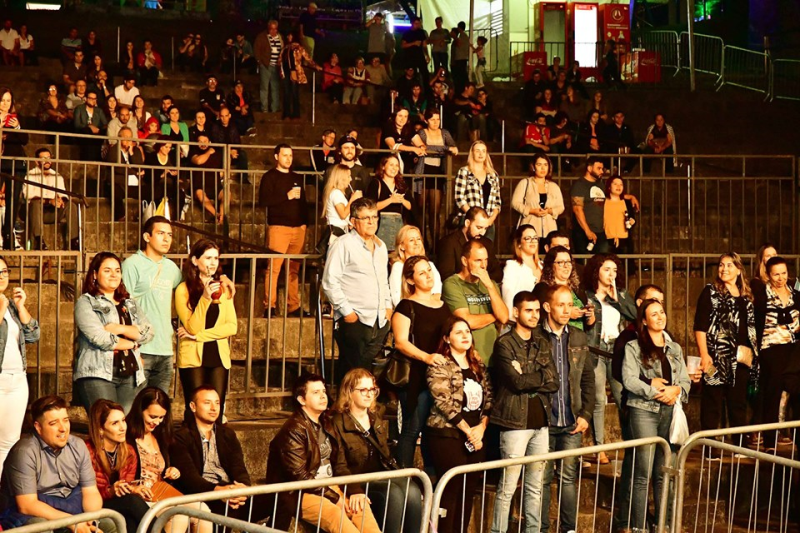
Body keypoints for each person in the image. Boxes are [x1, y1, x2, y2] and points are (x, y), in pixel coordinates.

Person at [265, 373, 381, 533]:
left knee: (361, 506)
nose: (322, 396)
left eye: (324, 391)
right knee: (335, 515)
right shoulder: (294, 430)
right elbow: (300, 476)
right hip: (300, 492)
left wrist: (354, 491)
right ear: (302, 400)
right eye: (315, 392)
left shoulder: (327, 422)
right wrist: (335, 498)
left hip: (330, 486)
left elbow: (340, 464)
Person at [491, 291, 560, 533]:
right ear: (516, 312)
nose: (534, 315)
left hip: (541, 422)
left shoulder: (542, 342)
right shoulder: (504, 343)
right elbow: (516, 383)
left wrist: (527, 375)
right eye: (528, 310)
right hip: (514, 423)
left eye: (537, 310)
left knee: (535, 487)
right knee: (508, 487)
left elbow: (554, 382)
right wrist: (539, 376)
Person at [0, 395, 118, 533]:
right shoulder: (24, 452)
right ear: (38, 427)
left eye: (66, 420)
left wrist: (89, 520)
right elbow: (27, 505)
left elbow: (91, 492)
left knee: (108, 524)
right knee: (41, 527)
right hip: (34, 511)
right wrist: (72, 522)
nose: (63, 428)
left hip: (71, 506)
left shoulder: (78, 445)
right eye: (53, 423)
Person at [623, 298, 691, 531]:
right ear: (644, 320)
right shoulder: (633, 347)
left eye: (662, 312)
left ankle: (664, 526)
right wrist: (656, 392)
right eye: (654, 314)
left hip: (670, 411)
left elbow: (685, 380)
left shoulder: (675, 348)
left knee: (664, 473)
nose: (660, 317)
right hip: (643, 411)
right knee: (643, 473)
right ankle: (639, 527)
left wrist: (676, 390)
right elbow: (629, 379)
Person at [331, 369, 424, 533]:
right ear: (349, 392)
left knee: (413, 490)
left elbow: (385, 454)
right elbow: (340, 465)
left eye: (372, 389)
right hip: (357, 478)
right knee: (393, 494)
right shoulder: (337, 422)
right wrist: (354, 490)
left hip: (380, 474)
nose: (369, 395)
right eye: (363, 390)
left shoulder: (375, 416)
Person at [537, 285, 594, 533]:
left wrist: (586, 414)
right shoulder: (536, 336)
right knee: (541, 478)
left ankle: (568, 529)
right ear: (547, 307)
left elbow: (588, 379)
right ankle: (541, 529)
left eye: (570, 305)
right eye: (561, 304)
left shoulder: (579, 337)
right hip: (544, 421)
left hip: (571, 420)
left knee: (568, 477)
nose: (566, 310)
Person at [427, 316, 492, 533]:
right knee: (451, 489)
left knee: (469, 489)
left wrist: (481, 428)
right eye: (458, 332)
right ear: (447, 338)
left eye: (467, 331)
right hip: (447, 434)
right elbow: (443, 402)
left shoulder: (478, 364)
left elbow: (489, 399)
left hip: (477, 434)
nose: (465, 336)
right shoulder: (441, 365)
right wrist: (468, 431)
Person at [171, 385, 272, 521]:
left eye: (217, 403)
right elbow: (190, 478)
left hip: (230, 490)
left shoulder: (227, 434)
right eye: (207, 403)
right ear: (193, 407)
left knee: (281, 499)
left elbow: (239, 467)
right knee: (226, 509)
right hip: (205, 494)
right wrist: (218, 491)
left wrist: (243, 489)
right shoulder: (181, 437)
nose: (214, 408)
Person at [322, 198, 392, 382]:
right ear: (353, 221)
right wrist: (347, 312)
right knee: (351, 374)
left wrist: (387, 307)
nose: (371, 222)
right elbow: (330, 281)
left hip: (379, 321)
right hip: (355, 320)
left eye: (374, 217)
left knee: (367, 375)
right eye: (366, 218)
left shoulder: (381, 246)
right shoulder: (343, 244)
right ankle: (344, 401)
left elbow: (383, 280)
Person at [74, 252, 153, 414]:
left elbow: (148, 332)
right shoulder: (86, 302)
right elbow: (100, 338)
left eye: (117, 270)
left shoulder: (129, 303)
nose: (114, 275)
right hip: (98, 373)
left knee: (121, 424)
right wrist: (133, 342)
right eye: (107, 270)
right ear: (94, 274)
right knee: (106, 422)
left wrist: (119, 329)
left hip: (130, 374)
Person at [391, 255, 451, 467]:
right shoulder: (406, 306)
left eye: (429, 270)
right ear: (410, 279)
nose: (428, 275)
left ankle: (431, 477)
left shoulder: (443, 305)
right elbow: (400, 342)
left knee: (432, 430)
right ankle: (404, 478)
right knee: (412, 429)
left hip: (440, 376)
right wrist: (427, 357)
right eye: (422, 272)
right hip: (416, 375)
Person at [127, 387, 212, 533]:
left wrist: (172, 471)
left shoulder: (161, 435)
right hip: (141, 497)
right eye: (152, 416)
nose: (157, 422)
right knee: (178, 516)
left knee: (202, 511)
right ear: (140, 411)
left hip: (161, 492)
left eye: (161, 418)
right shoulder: (127, 437)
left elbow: (165, 468)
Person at [695, 252, 758, 438]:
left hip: (741, 360)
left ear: (739, 270)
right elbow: (700, 326)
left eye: (729, 265)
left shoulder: (746, 297)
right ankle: (709, 447)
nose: (724, 269)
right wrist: (704, 354)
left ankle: (740, 446)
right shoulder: (711, 292)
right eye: (721, 265)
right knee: (712, 405)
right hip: (716, 358)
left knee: (738, 405)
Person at [583, 253, 637, 464]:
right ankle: (600, 448)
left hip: (616, 349)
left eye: (614, 270)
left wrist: (618, 300)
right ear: (596, 271)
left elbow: (635, 315)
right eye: (606, 269)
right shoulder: (587, 296)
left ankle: (630, 443)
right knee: (598, 399)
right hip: (595, 349)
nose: (611, 274)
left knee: (623, 396)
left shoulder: (620, 294)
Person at [175, 239, 237, 418]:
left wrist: (200, 336)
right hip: (192, 357)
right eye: (208, 258)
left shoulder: (224, 288)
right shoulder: (183, 289)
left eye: (216, 258)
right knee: (195, 410)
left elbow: (231, 327)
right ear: (195, 261)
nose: (212, 262)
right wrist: (205, 298)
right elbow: (192, 327)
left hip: (218, 356)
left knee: (216, 410)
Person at [122, 217, 183, 393]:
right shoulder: (132, 264)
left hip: (165, 349)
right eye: (161, 233)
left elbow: (188, 292)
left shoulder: (171, 268)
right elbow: (122, 305)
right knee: (135, 404)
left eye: (170, 235)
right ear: (147, 237)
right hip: (140, 346)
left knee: (159, 404)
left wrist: (223, 278)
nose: (166, 239)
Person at [753, 256, 800, 447]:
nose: (781, 278)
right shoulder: (761, 294)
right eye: (776, 274)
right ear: (768, 275)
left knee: (797, 394)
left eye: (784, 273)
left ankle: (797, 440)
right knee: (772, 394)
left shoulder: (795, 294)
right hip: (771, 347)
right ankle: (770, 442)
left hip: (794, 347)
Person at [258, 144, 309, 317]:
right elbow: (264, 200)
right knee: (274, 268)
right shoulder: (269, 177)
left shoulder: (297, 177)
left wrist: (304, 224)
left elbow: (303, 202)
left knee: (293, 269)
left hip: (298, 228)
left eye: (290, 155)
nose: (288, 159)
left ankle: (293, 306)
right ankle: (270, 306)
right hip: (279, 227)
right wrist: (286, 196)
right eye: (285, 155)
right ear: (276, 157)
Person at [85, 399, 151, 533]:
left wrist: (132, 489)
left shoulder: (129, 452)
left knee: (131, 519)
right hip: (94, 504)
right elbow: (87, 493)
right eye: (115, 423)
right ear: (100, 429)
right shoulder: (87, 452)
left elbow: (126, 485)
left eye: (123, 420)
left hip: (120, 503)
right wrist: (110, 491)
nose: (123, 428)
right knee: (132, 503)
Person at [0, 255, 38, 480]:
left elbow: (33, 335)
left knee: (11, 441)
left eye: (4, 271)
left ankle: (4, 490)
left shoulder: (10, 306)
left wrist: (21, 307)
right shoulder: (2, 305)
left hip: (17, 379)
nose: (1, 277)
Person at [443, 240, 509, 366]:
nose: (483, 265)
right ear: (464, 261)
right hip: (469, 359)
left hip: (494, 357)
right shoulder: (452, 284)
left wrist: (489, 286)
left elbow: (504, 317)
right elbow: (467, 321)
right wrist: (494, 316)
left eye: (486, 260)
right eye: (478, 260)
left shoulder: (491, 284)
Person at [23, 147, 81, 250]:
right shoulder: (30, 175)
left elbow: (63, 194)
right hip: (36, 212)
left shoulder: (57, 176)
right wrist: (49, 201)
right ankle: (39, 241)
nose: (47, 161)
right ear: (36, 161)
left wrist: (61, 200)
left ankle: (74, 241)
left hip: (53, 212)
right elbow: (29, 196)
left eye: (49, 158)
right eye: (44, 158)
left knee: (71, 205)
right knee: (35, 204)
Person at [415, 108, 457, 244]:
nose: (435, 122)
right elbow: (425, 148)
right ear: (426, 120)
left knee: (435, 212)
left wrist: (447, 149)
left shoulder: (444, 133)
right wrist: (445, 149)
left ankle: (435, 244)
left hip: (438, 172)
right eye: (432, 119)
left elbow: (454, 147)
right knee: (421, 211)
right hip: (423, 171)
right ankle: (423, 242)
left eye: (437, 119)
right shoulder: (422, 133)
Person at [437, 206, 503, 283]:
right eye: (479, 227)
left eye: (485, 228)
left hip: (482, 288)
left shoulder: (487, 243)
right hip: (459, 289)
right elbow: (446, 276)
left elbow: (498, 274)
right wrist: (471, 280)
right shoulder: (449, 242)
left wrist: (479, 281)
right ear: (467, 223)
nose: (482, 233)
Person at [454, 141, 501, 241]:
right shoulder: (464, 172)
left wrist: (490, 219)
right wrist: (474, 216)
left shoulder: (493, 175)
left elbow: (497, 202)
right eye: (477, 151)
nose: (481, 153)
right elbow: (459, 198)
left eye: (483, 151)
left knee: (487, 248)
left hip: (488, 221)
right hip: (470, 220)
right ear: (472, 153)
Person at [512, 154, 564, 239]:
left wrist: (549, 211)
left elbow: (561, 207)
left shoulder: (554, 186)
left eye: (545, 165)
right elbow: (515, 203)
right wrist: (531, 211)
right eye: (539, 165)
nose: (543, 168)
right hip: (530, 228)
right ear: (533, 166)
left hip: (549, 229)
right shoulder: (525, 183)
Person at [366, 155, 413, 250]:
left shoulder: (401, 185)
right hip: (381, 224)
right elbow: (371, 207)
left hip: (398, 224)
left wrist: (401, 200)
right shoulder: (376, 183)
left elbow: (411, 206)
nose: (394, 168)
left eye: (396, 165)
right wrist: (390, 200)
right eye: (391, 165)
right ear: (383, 166)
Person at [389, 225, 443, 306]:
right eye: (411, 240)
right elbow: (398, 300)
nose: (416, 243)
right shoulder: (398, 267)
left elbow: (437, 294)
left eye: (418, 239)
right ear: (402, 246)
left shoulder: (430, 265)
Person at [502, 225, 542, 330]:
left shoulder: (543, 266)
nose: (532, 241)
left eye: (535, 238)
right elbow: (508, 297)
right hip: (517, 325)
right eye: (528, 238)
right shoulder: (512, 266)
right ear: (519, 243)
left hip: (540, 324)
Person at [571, 156, 609, 254]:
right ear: (589, 168)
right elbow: (577, 209)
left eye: (602, 169)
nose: (601, 171)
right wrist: (587, 230)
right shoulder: (579, 185)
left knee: (602, 260)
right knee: (584, 260)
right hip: (583, 231)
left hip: (600, 231)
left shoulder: (600, 184)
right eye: (598, 168)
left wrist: (630, 197)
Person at [280, 31, 319, 121]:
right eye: (288, 35)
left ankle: (296, 114)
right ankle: (286, 114)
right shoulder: (285, 48)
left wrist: (315, 65)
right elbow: (281, 60)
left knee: (294, 93)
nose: (289, 37)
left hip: (295, 72)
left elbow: (307, 57)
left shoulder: (298, 47)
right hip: (285, 73)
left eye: (291, 35)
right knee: (286, 94)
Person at [322, 164, 360, 250]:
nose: (351, 179)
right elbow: (342, 214)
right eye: (348, 176)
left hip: (341, 230)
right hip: (336, 233)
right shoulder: (336, 193)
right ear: (341, 178)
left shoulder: (338, 193)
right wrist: (352, 199)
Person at [380, 108, 425, 174]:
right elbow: (393, 146)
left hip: (404, 166)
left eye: (405, 116)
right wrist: (413, 149)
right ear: (395, 116)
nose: (403, 119)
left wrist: (422, 147)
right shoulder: (388, 127)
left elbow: (420, 144)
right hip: (387, 165)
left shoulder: (409, 128)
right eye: (400, 116)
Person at [254, 20, 283, 113]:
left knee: (275, 88)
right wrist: (260, 62)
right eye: (271, 29)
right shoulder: (262, 37)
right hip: (266, 65)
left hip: (276, 66)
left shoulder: (280, 37)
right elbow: (256, 50)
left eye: (275, 29)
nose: (273, 31)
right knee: (264, 88)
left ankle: (274, 108)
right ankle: (264, 109)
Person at [604, 175, 637, 254]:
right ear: (609, 186)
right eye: (615, 184)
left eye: (621, 184)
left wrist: (632, 221)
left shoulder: (627, 202)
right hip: (606, 240)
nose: (618, 186)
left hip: (624, 240)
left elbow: (632, 218)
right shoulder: (602, 202)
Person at [74, 90, 108, 161]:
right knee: (87, 131)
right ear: (86, 99)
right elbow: (77, 124)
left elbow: (105, 124)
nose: (93, 100)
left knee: (102, 133)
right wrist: (89, 126)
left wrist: (98, 129)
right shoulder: (79, 108)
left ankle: (97, 158)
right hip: (83, 134)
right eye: (91, 98)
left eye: (94, 99)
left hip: (96, 135)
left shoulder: (99, 111)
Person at [401, 17, 429, 88]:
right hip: (410, 56)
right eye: (416, 23)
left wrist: (427, 55)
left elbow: (424, 45)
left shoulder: (421, 32)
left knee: (425, 73)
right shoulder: (407, 33)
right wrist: (413, 43)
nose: (417, 25)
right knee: (412, 73)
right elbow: (403, 45)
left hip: (420, 55)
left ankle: (426, 89)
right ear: (412, 23)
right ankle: (412, 88)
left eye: (418, 23)